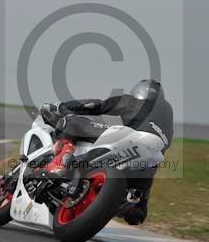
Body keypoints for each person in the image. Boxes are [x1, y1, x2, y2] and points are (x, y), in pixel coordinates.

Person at [39, 79, 174, 225]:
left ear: (140, 91)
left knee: (72, 122)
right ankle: (131, 205)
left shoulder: (133, 101)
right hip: (153, 155)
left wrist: (62, 106)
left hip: (131, 137)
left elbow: (95, 105)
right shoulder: (168, 115)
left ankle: (61, 163)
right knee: (138, 210)